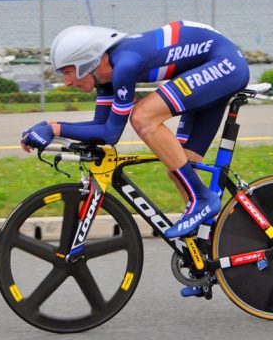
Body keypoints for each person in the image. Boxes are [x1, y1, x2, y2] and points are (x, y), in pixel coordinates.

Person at [21, 21, 249, 294]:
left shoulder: (125, 64)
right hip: (205, 69)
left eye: (68, 71)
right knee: (180, 164)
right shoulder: (106, 80)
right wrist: (51, 131)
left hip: (223, 63)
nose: (66, 81)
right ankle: (205, 262)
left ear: (87, 62)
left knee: (143, 117)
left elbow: (112, 133)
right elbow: (101, 130)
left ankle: (203, 199)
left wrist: (54, 127)